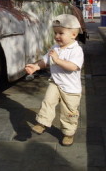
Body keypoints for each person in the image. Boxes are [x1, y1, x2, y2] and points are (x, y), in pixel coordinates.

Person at [25, 14, 84, 146]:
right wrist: (35, 67)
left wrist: (57, 60)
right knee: (48, 101)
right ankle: (42, 123)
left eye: (61, 33)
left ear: (73, 35)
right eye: (55, 33)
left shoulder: (76, 50)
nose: (57, 36)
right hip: (56, 83)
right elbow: (45, 61)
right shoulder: (55, 48)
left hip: (71, 89)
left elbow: (73, 67)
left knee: (69, 111)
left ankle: (68, 133)